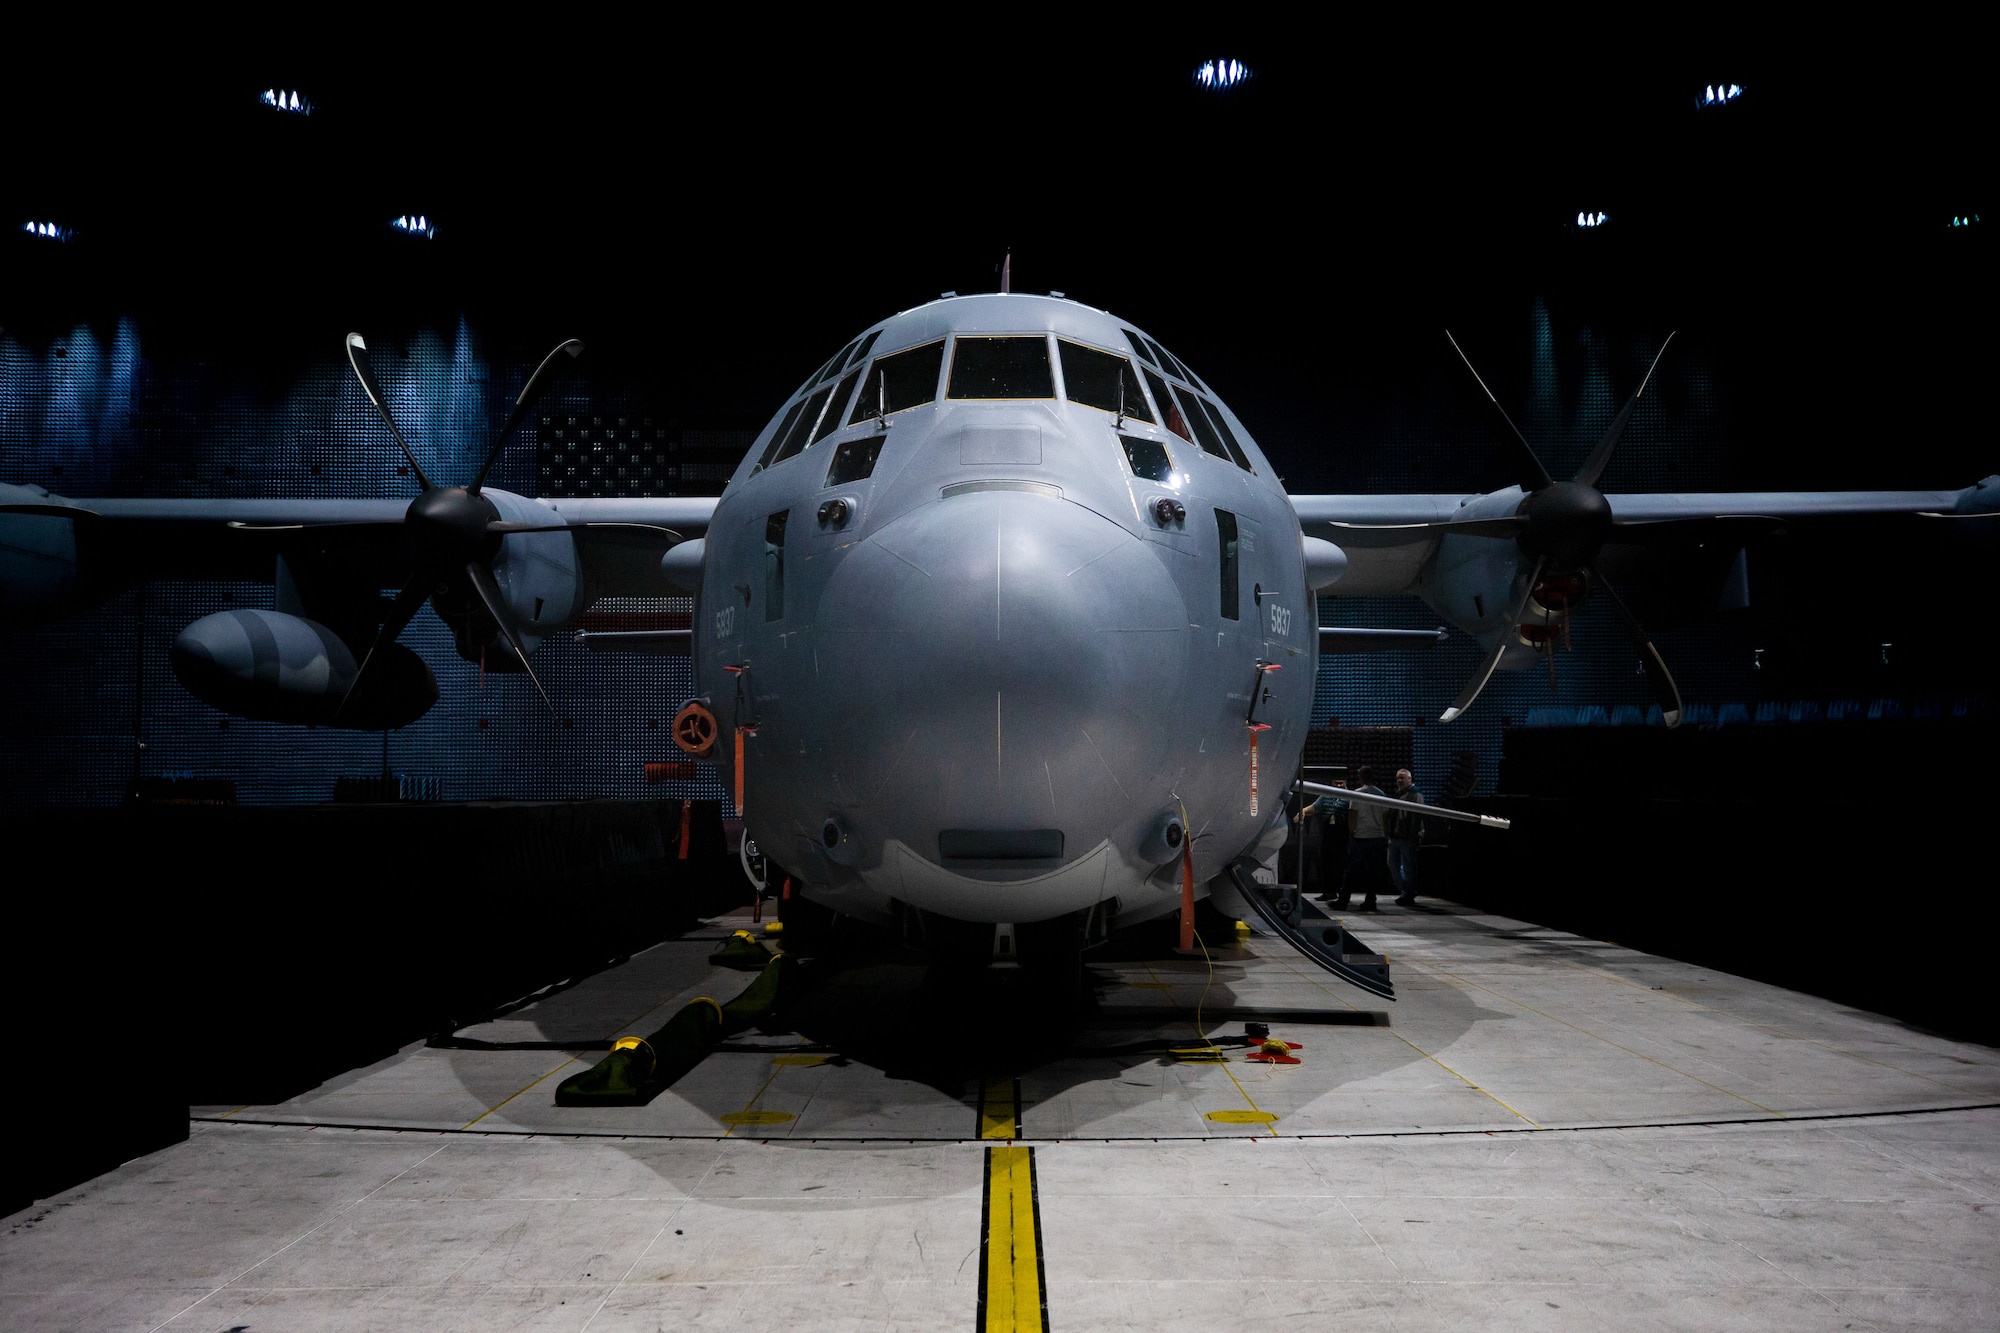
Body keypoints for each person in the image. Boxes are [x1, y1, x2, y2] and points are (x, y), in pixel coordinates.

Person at [1330, 765, 1388, 911]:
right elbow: (1386, 817)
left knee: (1351, 871)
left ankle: (1343, 900)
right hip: (1377, 837)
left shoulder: (1357, 794)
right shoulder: (1381, 794)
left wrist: (1351, 832)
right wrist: (1385, 835)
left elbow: (1352, 814)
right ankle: (1370, 901)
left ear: (1361, 777)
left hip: (1361, 837)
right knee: (1373, 871)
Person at [1386, 767, 1426, 906]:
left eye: (1402, 778)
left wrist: (1413, 837)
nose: (1400, 780)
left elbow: (1418, 816)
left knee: (1408, 867)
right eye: (1398, 778)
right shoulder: (1398, 794)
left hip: (1407, 838)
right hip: (1395, 836)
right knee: (1393, 864)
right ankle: (1405, 891)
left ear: (1410, 779)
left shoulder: (1416, 794)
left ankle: (1408, 893)